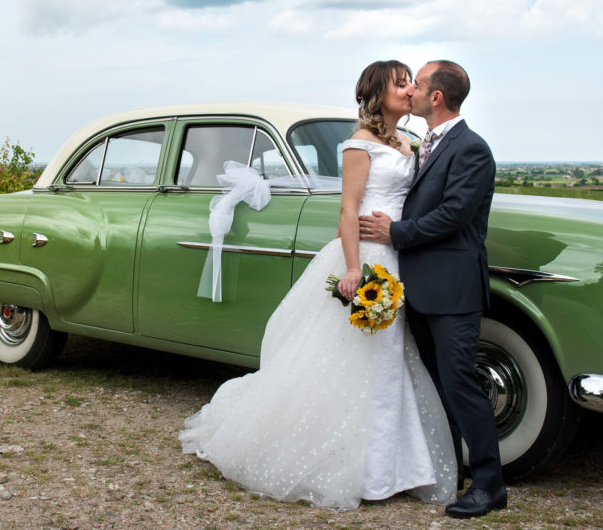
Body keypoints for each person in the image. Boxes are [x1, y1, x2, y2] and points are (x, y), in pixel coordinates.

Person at [180, 61, 457, 510]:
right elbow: (349, 210)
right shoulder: (358, 144)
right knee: (361, 358)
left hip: (400, 254)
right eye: (400, 82)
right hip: (368, 257)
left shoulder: (409, 142)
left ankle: (392, 467)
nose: (409, 89)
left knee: (390, 360)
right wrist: (352, 268)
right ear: (377, 93)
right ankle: (359, 467)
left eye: (412, 81)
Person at [358, 60, 506, 519]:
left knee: (462, 384)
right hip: (417, 288)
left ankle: (490, 485)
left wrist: (395, 233)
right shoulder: (423, 144)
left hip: (453, 289)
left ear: (436, 97)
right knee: (438, 386)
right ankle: (452, 474)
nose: (411, 91)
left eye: (417, 84)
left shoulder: (471, 149)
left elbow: (455, 214)